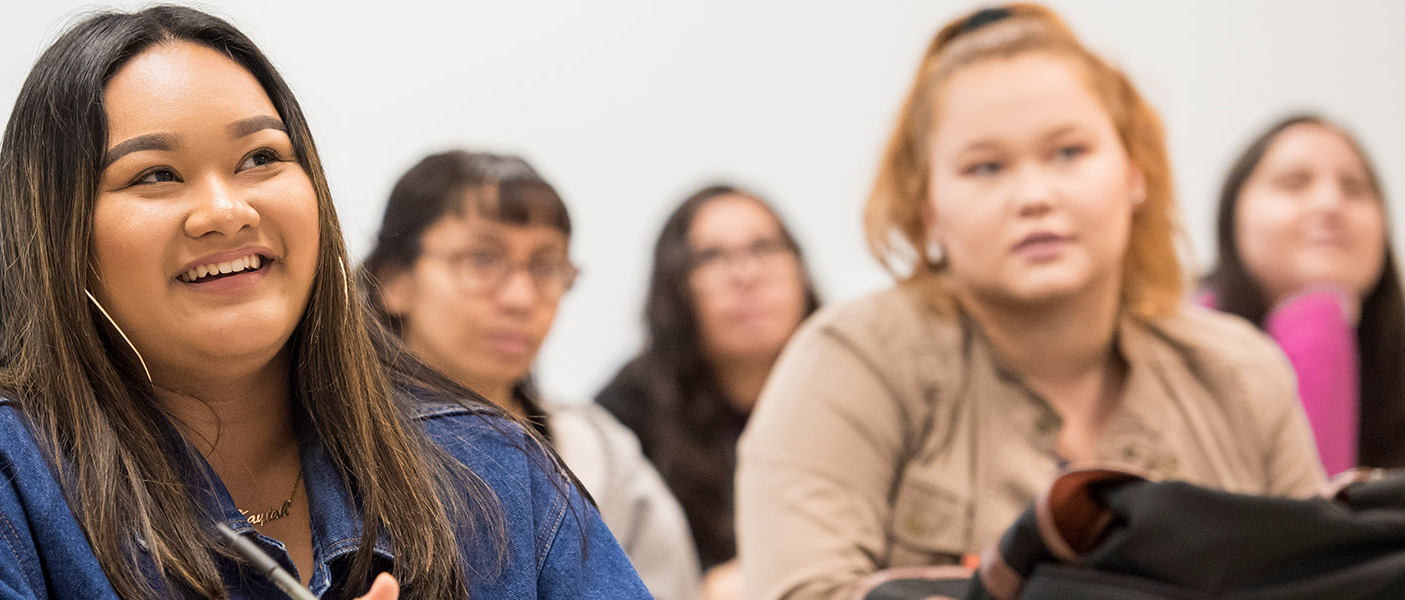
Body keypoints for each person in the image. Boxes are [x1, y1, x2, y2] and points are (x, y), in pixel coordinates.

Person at [0, 7, 648, 600]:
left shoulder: (491, 467)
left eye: (260, 159)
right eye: (155, 176)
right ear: (59, 235)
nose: (225, 209)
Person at [734, 5, 1326, 600]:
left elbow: (1326, 581)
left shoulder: (1244, 377)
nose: (1034, 195)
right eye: (986, 167)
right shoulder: (847, 363)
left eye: (1069, 152)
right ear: (929, 210)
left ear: (1134, 173)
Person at [359, 151, 700, 600]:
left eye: (545, 266)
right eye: (483, 260)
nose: (521, 298)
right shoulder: (345, 439)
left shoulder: (598, 449)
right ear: (394, 280)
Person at [596, 185, 820, 599]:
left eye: (764, 248)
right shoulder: (625, 415)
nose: (746, 275)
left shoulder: (850, 389)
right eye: (711, 257)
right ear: (674, 286)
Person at [1202, 115, 1404, 473]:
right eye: (1293, 183)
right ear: (1233, 215)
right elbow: (1307, 519)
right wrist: (1318, 319)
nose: (1330, 203)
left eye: (1355, 188)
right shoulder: (1175, 352)